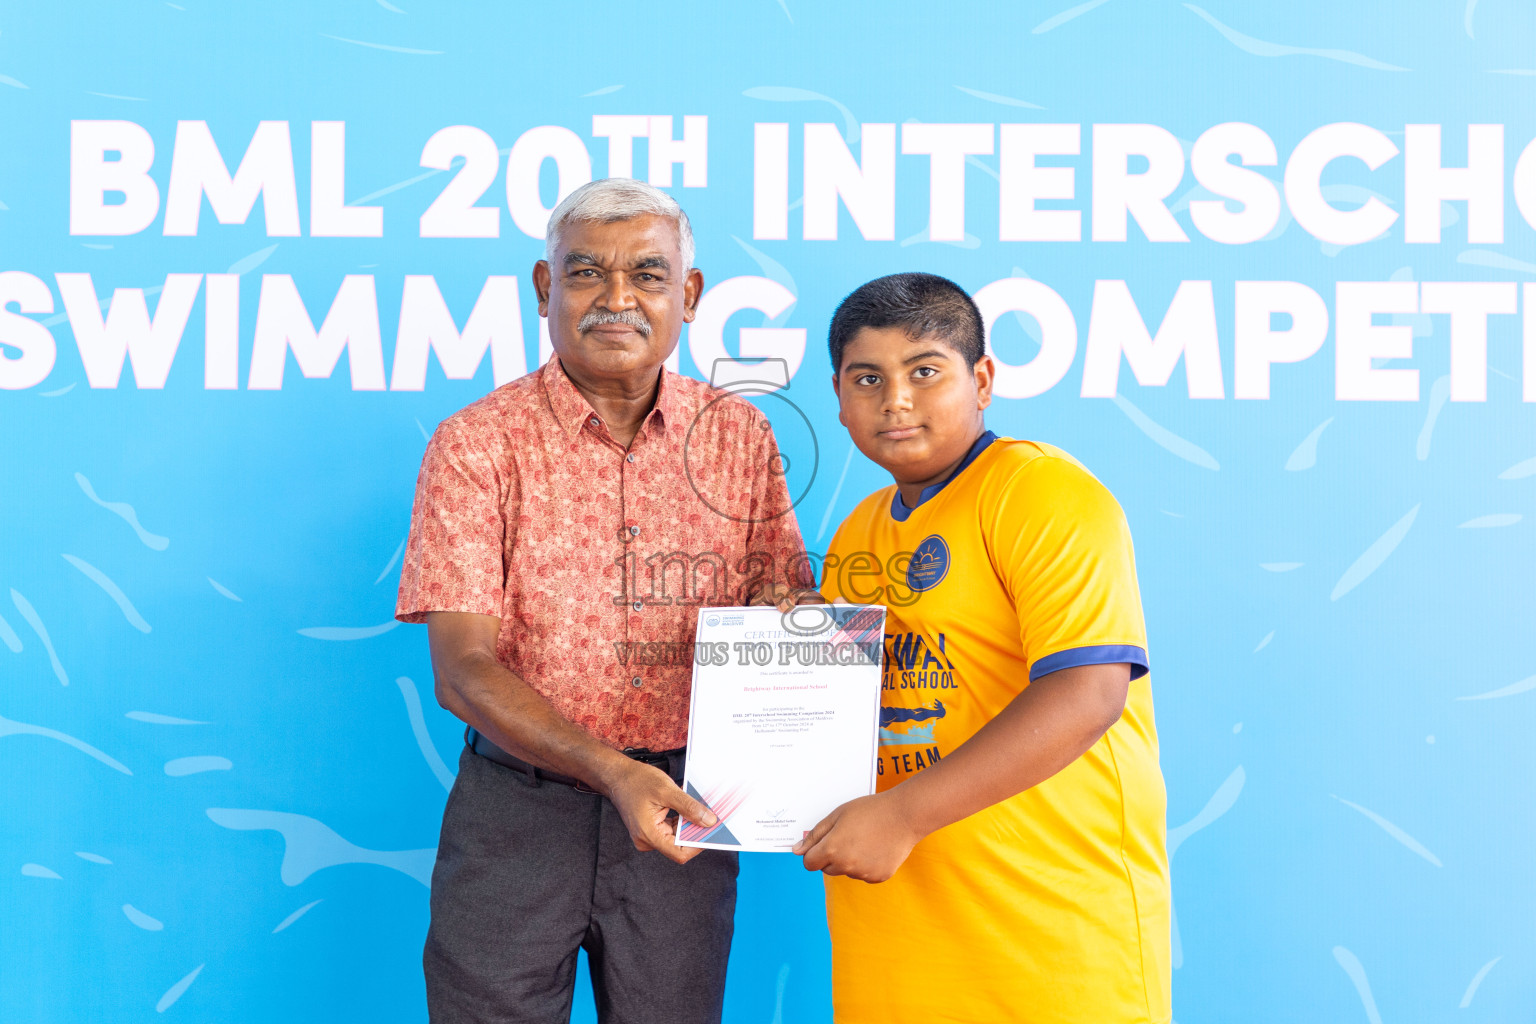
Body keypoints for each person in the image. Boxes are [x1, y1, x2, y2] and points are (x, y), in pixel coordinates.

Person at [395, 177, 811, 1024]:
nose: (617, 298)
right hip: (517, 815)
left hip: (685, 818)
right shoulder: (476, 444)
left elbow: (783, 610)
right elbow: (463, 671)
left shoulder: (741, 438)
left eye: (649, 276)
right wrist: (611, 771)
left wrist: (804, 682)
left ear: (687, 296)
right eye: (586, 273)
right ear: (546, 290)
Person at [798, 272, 1171, 1023]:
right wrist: (794, 649)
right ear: (838, 400)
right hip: (897, 933)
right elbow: (851, 707)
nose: (894, 400)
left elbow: (1091, 692)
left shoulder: (1041, 494)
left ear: (984, 380)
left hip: (1046, 933)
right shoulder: (859, 529)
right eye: (867, 378)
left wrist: (901, 816)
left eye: (924, 372)